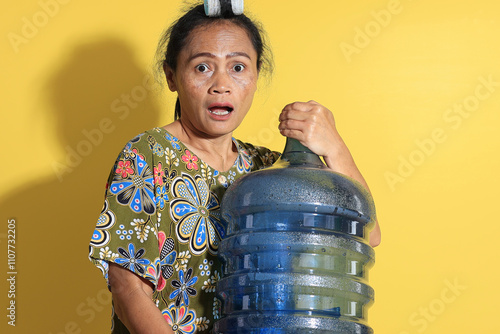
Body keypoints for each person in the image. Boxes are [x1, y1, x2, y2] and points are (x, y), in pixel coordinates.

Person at [88, 2, 381, 333]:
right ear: (172, 77)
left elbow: (367, 236)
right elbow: (127, 289)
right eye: (202, 68)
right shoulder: (148, 155)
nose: (221, 84)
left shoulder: (267, 173)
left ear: (256, 76)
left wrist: (334, 147)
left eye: (238, 68)